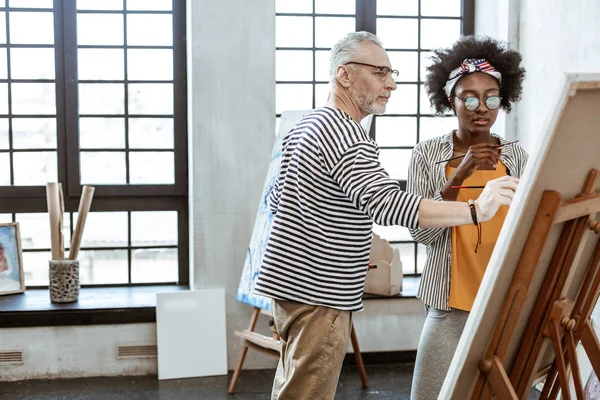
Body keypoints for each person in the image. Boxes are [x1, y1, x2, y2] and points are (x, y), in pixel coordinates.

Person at [253, 31, 519, 400]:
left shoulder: (304, 125)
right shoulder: (347, 135)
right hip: (321, 294)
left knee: (291, 389)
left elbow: (283, 202)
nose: (391, 84)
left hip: (290, 288)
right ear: (344, 75)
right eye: (380, 72)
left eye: (391, 73)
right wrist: (476, 210)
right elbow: (387, 204)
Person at [406, 36, 528, 399]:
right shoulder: (427, 155)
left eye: (491, 97)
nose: (482, 108)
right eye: (469, 98)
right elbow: (419, 233)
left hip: (504, 304)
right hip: (450, 306)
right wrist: (459, 175)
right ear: (450, 100)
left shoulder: (517, 155)